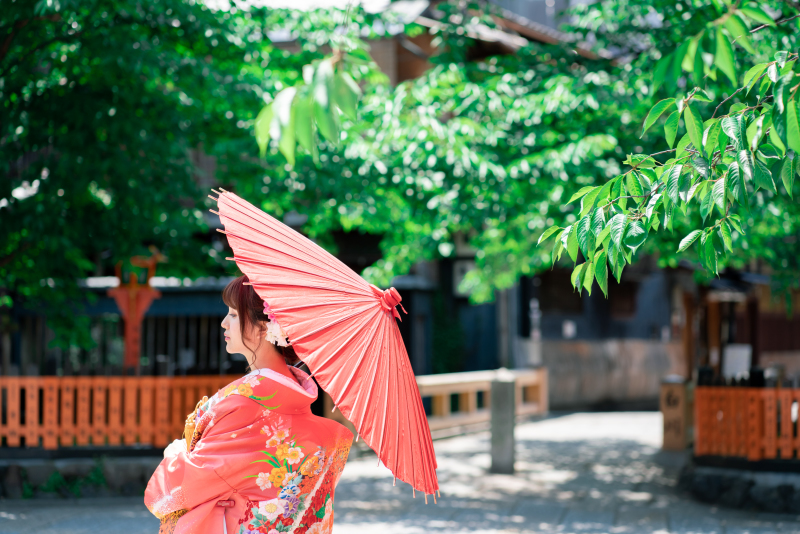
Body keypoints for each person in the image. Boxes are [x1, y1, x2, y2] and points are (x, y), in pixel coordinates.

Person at [145, 275, 353, 534]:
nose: (223, 323)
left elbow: (190, 485)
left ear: (263, 327)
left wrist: (174, 452)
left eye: (233, 314)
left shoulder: (244, 402)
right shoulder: (297, 397)